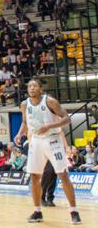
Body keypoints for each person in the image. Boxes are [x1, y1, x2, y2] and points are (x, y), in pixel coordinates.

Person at [14, 78, 81, 224]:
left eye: (34, 86)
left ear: (41, 89)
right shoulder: (24, 104)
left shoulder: (50, 101)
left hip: (53, 139)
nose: (32, 88)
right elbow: (25, 122)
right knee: (34, 176)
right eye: (29, 86)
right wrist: (19, 134)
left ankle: (74, 211)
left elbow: (67, 119)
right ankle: (37, 211)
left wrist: (49, 126)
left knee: (62, 174)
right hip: (36, 141)